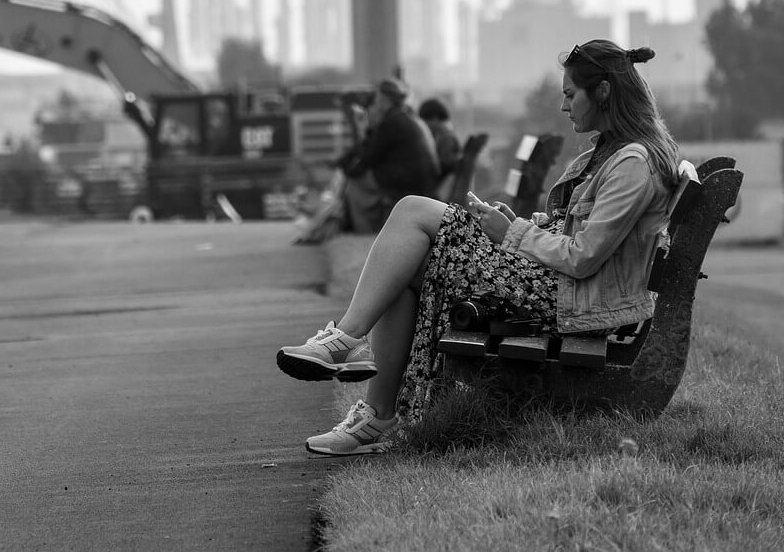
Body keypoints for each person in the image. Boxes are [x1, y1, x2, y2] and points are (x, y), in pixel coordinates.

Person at [276, 40, 680, 455]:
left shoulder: (632, 163)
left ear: (605, 92)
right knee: (404, 269)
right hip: (560, 289)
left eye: (570, 95)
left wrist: (512, 233)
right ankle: (373, 410)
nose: (565, 107)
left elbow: (584, 256)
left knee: (413, 211)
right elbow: (582, 232)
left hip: (571, 300)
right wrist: (521, 223)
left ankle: (347, 345)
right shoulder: (613, 153)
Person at [339, 78, 440, 234]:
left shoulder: (392, 122)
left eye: (378, 99)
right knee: (361, 179)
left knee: (355, 184)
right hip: (424, 180)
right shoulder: (407, 117)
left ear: (386, 101)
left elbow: (370, 158)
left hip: (406, 181)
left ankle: (364, 231)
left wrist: (360, 129)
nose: (375, 104)